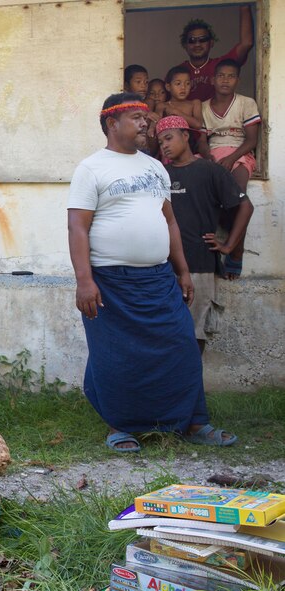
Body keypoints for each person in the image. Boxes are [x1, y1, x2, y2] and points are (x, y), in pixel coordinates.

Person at [67, 93, 236, 453]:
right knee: (115, 356)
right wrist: (85, 280)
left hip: (159, 278)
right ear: (112, 124)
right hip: (110, 281)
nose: (146, 123)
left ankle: (194, 422)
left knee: (182, 347)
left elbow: (170, 222)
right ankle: (120, 426)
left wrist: (183, 271)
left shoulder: (155, 167)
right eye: (135, 117)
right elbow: (77, 227)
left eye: (146, 117)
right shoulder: (91, 168)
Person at [156, 115, 253, 354]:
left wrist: (229, 246)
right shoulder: (160, 174)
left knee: (194, 331)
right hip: (163, 265)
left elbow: (245, 206)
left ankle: (189, 387)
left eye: (169, 138)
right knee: (166, 331)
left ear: (186, 136)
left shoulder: (210, 171)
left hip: (199, 262)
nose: (164, 145)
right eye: (160, 142)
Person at [198, 59, 260, 280]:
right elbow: (202, 141)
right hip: (213, 154)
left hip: (239, 152)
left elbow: (252, 140)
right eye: (221, 75)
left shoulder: (246, 103)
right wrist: (209, 158)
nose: (225, 80)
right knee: (204, 198)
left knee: (236, 196)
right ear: (213, 79)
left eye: (231, 76)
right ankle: (208, 253)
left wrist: (232, 158)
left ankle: (236, 250)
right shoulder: (204, 107)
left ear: (237, 80)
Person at [177, 7, 253, 102]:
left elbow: (247, 43)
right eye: (192, 40)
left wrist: (244, 7)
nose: (197, 44)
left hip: (217, 116)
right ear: (185, 45)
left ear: (211, 43)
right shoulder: (177, 72)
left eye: (202, 39)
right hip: (187, 117)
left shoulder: (222, 65)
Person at [154, 66, 204, 132]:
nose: (183, 87)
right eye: (178, 83)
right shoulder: (162, 106)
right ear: (168, 87)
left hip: (188, 140)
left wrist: (176, 112)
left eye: (187, 83)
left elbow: (198, 125)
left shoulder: (194, 103)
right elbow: (156, 126)